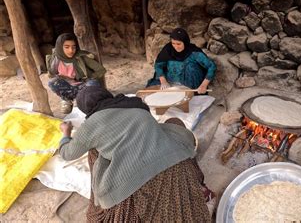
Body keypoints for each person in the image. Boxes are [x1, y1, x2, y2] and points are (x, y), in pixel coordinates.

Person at [58, 86, 211, 222]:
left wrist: (66, 133)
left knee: (94, 151)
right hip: (175, 160)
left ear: (87, 110)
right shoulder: (135, 104)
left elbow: (67, 153)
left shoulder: (90, 126)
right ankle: (199, 183)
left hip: (136, 179)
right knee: (173, 122)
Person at [46, 33, 106, 114]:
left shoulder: (80, 57)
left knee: (93, 83)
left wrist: (89, 77)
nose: (71, 50)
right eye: (67, 47)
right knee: (52, 82)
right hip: (69, 86)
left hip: (82, 85)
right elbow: (51, 74)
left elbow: (101, 70)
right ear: (60, 47)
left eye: (73, 47)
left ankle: (84, 100)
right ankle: (67, 99)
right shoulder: (54, 58)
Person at [146, 28, 216, 94]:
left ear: (185, 42)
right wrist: (163, 81)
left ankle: (191, 92)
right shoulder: (168, 50)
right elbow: (158, 65)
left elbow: (211, 66)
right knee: (153, 91)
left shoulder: (194, 52)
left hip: (190, 83)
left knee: (191, 67)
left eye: (178, 44)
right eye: (173, 43)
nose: (176, 47)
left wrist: (204, 85)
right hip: (171, 81)